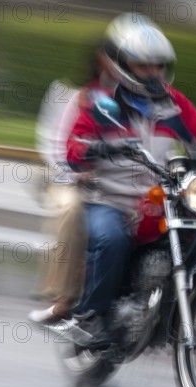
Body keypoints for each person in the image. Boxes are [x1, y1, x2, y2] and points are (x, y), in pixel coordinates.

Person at [65, 13, 196, 336]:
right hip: (111, 200)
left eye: (158, 65)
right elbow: (74, 148)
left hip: (163, 198)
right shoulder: (100, 103)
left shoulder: (173, 103)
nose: (153, 72)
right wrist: (98, 149)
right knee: (111, 239)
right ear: (121, 63)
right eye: (143, 65)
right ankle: (90, 317)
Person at [28, 46, 119, 324]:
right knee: (72, 208)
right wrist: (76, 173)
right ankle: (61, 297)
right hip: (67, 178)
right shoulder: (75, 97)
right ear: (100, 61)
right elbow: (55, 146)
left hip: (113, 183)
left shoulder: (137, 101)